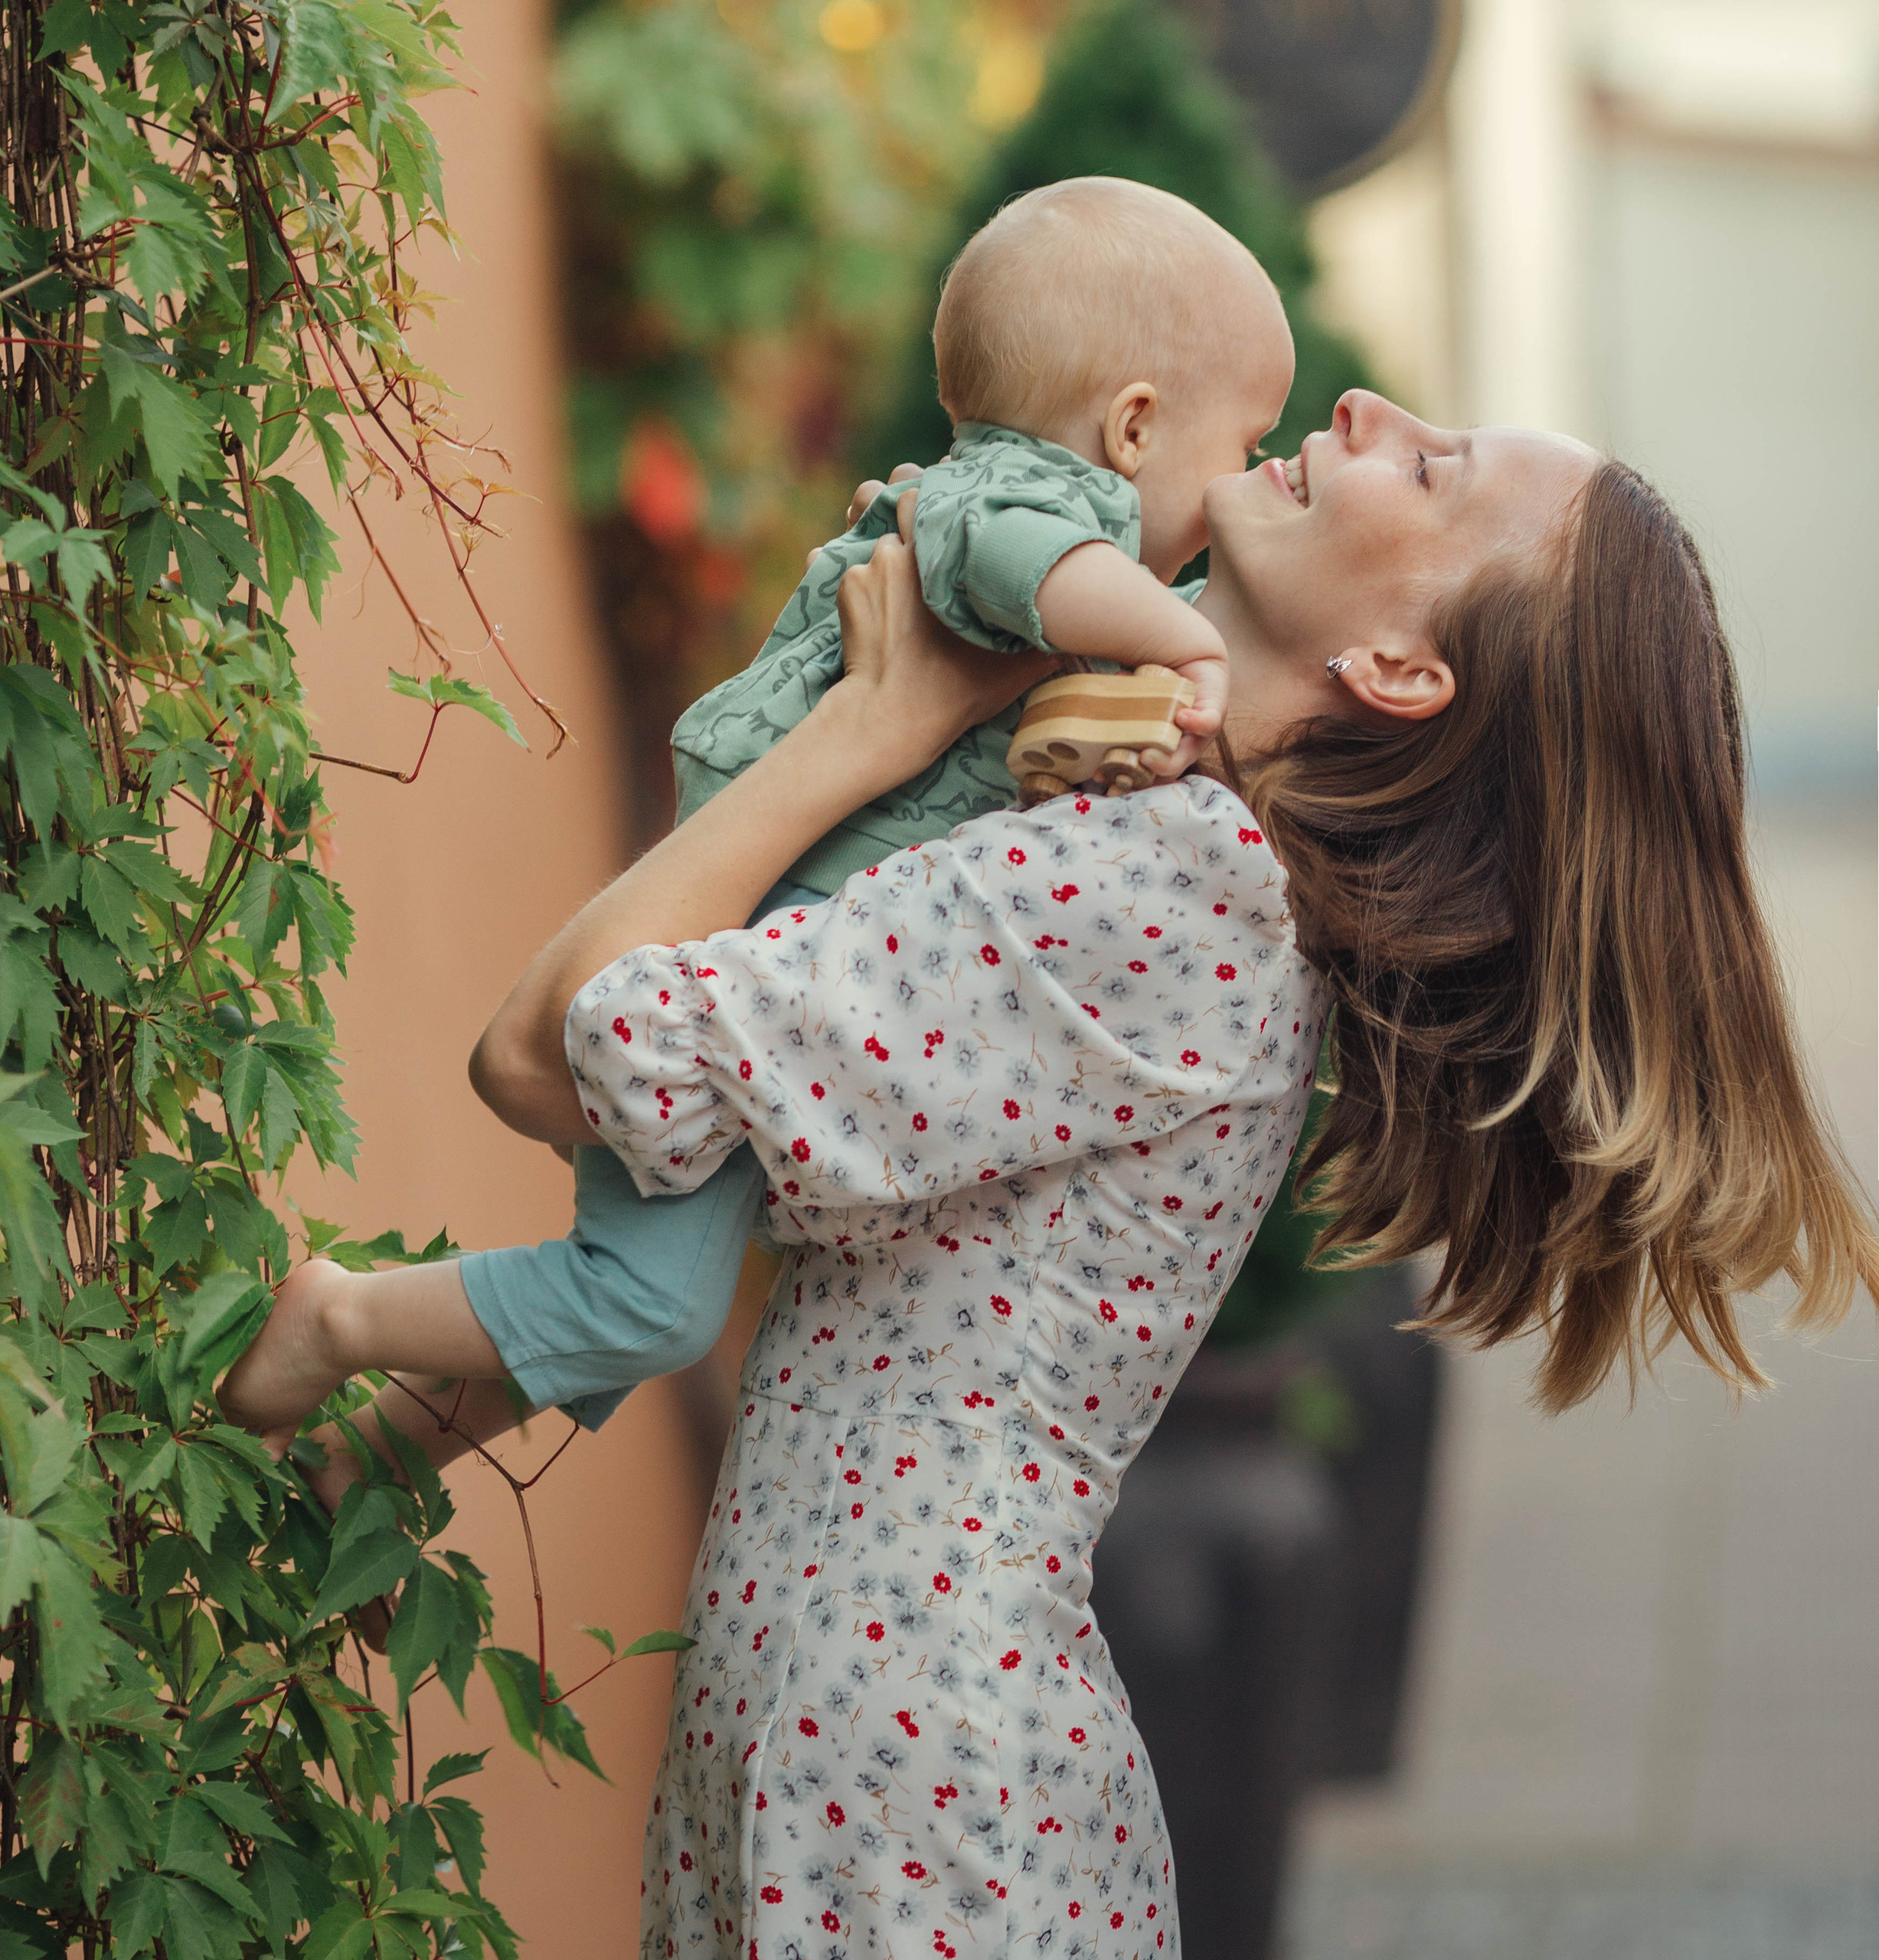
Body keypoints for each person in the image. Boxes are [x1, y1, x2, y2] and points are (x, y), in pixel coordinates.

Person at [226, 387, 1877, 1955]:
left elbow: (559, 1044)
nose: (1369, 415)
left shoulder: (1181, 881)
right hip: (879, 1749)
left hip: (888, 1779)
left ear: (1396, 663)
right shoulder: (1189, 853)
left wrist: (864, 730)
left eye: (1433, 469)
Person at [229, 176, 1294, 1442]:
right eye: (1244, 441)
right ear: (1130, 427)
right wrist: (1185, 643)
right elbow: (1034, 569)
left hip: (790, 909)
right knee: (653, 1306)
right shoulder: (1030, 508)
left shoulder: (1056, 541)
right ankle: (338, 1319)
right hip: (755, 900)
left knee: (663, 1272)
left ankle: (384, 1451)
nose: (1247, 483)